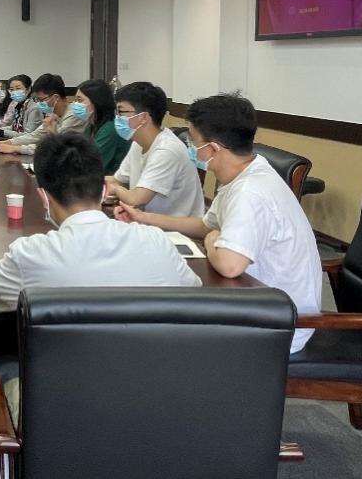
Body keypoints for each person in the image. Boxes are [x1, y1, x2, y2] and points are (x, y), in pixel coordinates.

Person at [0, 132, 201, 420]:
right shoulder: (156, 241)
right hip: (156, 401)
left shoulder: (32, 254)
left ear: (44, 197)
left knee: (3, 359)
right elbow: (192, 290)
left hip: (65, 410)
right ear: (104, 191)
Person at [115, 93, 322, 353]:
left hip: (279, 327)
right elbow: (205, 225)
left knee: (161, 333)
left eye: (193, 140)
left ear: (213, 148)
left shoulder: (250, 192)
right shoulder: (244, 172)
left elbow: (229, 265)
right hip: (255, 303)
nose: (189, 146)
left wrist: (213, 239)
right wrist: (144, 218)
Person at [104, 82, 205, 217]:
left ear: (143, 118)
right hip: (144, 221)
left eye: (121, 112)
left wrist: (115, 190)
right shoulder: (138, 143)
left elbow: (136, 199)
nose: (117, 118)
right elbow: (118, 180)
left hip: (173, 228)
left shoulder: (167, 150)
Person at [0, 73, 85, 154]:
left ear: (55, 98)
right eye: (36, 100)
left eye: (41, 99)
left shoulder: (73, 115)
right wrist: (7, 143)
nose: (38, 103)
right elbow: (35, 135)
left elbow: (59, 147)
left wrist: (17, 149)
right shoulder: (53, 113)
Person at [70, 79, 128, 174]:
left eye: (80, 100)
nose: (75, 104)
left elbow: (89, 165)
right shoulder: (91, 126)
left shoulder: (110, 130)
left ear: (96, 102)